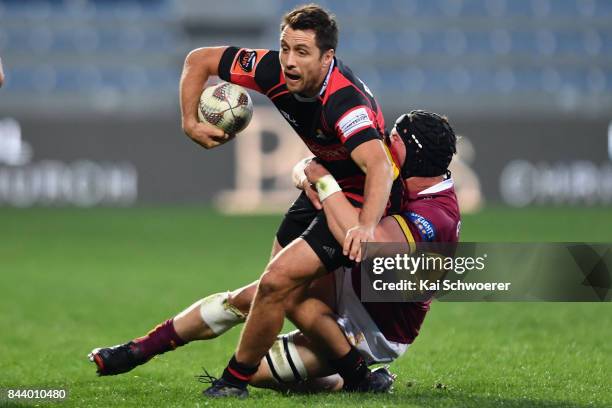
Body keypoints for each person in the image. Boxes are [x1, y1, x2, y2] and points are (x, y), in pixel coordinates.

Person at [90, 110, 460, 395]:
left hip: (376, 325)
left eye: (392, 139)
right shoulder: (390, 170)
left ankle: (351, 377)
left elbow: (363, 241)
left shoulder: (435, 216)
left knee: (267, 355)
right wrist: (308, 173)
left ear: (414, 154)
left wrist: (324, 183)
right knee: (262, 292)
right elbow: (309, 166)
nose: (382, 144)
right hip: (353, 282)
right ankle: (140, 349)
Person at [179, 4, 402, 396]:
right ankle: (359, 377)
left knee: (278, 283)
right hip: (321, 182)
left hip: (356, 199)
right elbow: (200, 60)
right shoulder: (271, 70)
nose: (289, 61)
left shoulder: (344, 103)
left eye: (301, 52)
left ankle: (234, 383)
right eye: (285, 48)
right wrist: (189, 122)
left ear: (327, 57)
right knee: (284, 292)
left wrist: (366, 226)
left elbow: (380, 168)